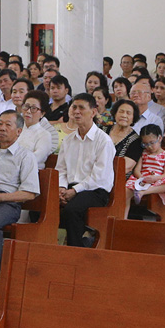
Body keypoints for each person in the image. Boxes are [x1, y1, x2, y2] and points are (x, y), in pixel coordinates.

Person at [56, 94, 117, 248]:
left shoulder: (103, 140)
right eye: (74, 107)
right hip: (70, 188)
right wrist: (61, 188)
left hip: (95, 191)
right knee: (41, 206)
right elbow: (61, 169)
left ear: (93, 112)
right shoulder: (68, 140)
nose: (76, 112)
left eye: (81, 108)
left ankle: (76, 251)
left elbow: (99, 176)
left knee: (72, 210)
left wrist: (74, 191)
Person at [0, 111, 39, 273]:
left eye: (8, 125)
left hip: (8, 203)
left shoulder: (25, 156)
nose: (2, 128)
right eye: (0, 124)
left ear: (19, 131)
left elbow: (29, 193)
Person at [124, 124, 165, 211]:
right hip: (142, 180)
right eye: (145, 144)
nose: (149, 146)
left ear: (160, 138)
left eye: (152, 143)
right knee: (126, 190)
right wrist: (142, 178)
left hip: (157, 180)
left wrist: (155, 178)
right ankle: (123, 216)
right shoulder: (144, 153)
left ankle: (143, 192)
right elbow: (137, 170)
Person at [15, 91, 55, 170]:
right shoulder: (15, 128)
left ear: (42, 113)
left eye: (33, 108)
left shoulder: (45, 135)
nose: (28, 111)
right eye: (26, 106)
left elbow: (35, 158)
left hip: (31, 172)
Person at [106, 99, 143, 176]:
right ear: (115, 114)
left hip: (118, 178)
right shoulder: (103, 131)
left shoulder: (136, 140)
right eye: (121, 111)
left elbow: (125, 167)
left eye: (128, 113)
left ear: (133, 118)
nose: (124, 115)